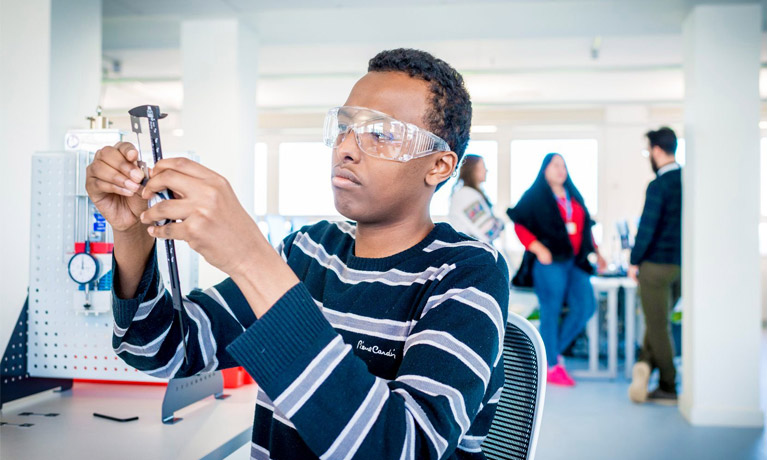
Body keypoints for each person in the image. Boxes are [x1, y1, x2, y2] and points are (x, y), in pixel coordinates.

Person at [86, 49, 509, 459]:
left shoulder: (469, 273)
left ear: (439, 166)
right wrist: (131, 231)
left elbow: (399, 448)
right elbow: (159, 349)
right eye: (345, 127)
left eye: (379, 134)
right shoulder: (309, 251)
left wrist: (252, 258)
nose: (345, 148)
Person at [506, 153, 605, 387]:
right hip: (550, 262)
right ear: (544, 170)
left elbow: (586, 228)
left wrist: (599, 253)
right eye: (555, 165)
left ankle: (549, 355)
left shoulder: (574, 195)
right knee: (550, 311)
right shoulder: (534, 196)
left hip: (576, 261)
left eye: (564, 165)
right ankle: (551, 365)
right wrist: (537, 247)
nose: (561, 170)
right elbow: (519, 224)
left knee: (586, 306)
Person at [628, 127, 682, 405]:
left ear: (658, 151)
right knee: (659, 322)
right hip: (680, 266)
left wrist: (634, 261)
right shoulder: (687, 180)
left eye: (650, 150)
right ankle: (644, 364)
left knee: (657, 325)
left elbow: (646, 230)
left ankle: (669, 385)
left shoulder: (658, 185)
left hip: (655, 267)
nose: (650, 155)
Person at [448, 154, 504, 244]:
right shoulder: (466, 195)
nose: (486, 170)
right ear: (473, 170)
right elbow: (490, 232)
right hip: (470, 252)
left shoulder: (466, 194)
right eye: (483, 167)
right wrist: (501, 223)